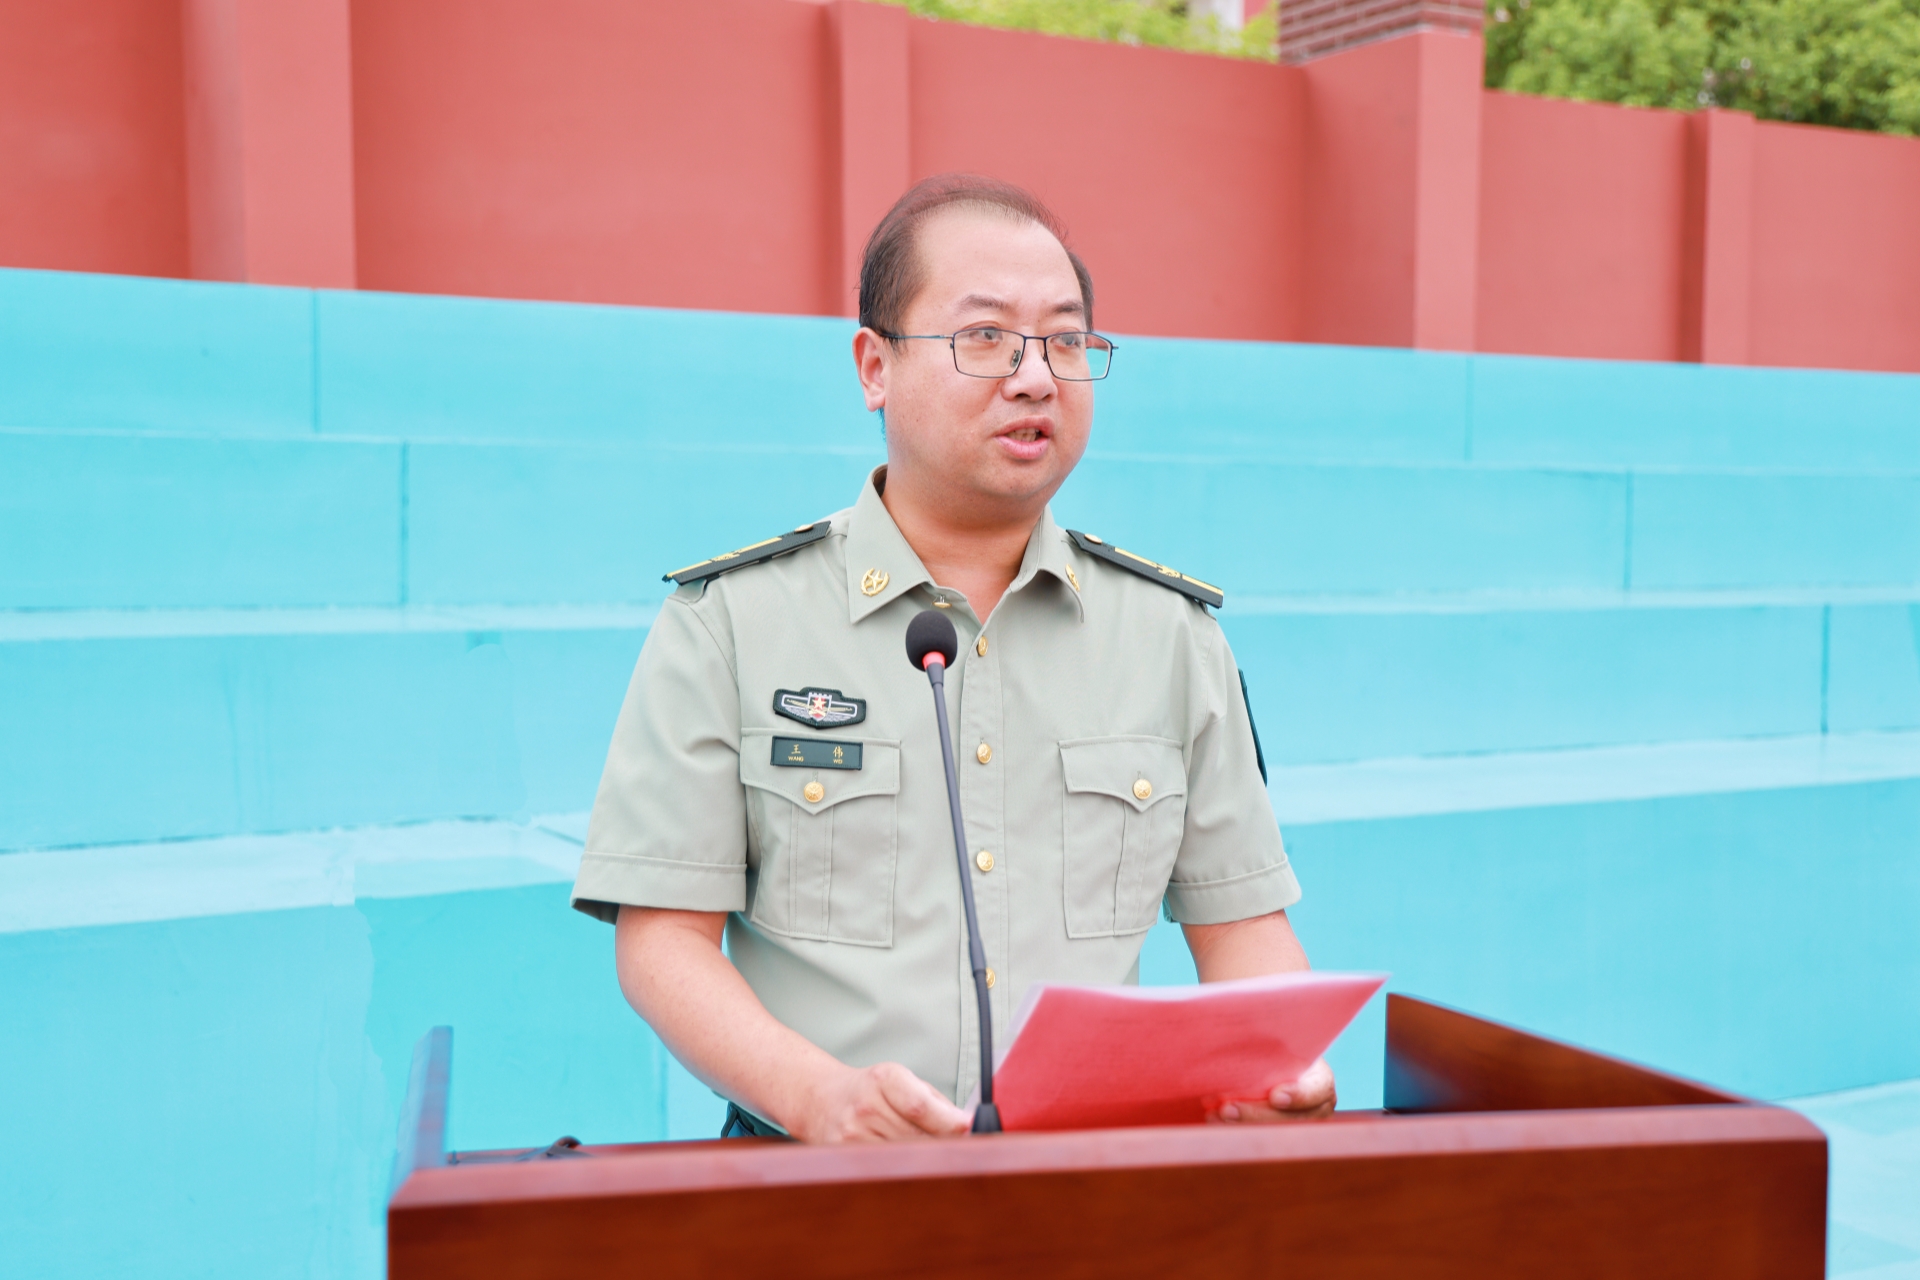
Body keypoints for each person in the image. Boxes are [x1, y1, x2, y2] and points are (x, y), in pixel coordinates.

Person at [570, 174, 1336, 1142]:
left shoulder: (1171, 636)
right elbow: (663, 940)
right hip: (817, 1176)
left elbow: (1243, 926)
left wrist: (1277, 1055)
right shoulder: (731, 622)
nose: (1036, 377)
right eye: (985, 337)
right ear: (874, 367)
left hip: (1087, 1181)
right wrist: (817, 1097)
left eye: (1066, 341)